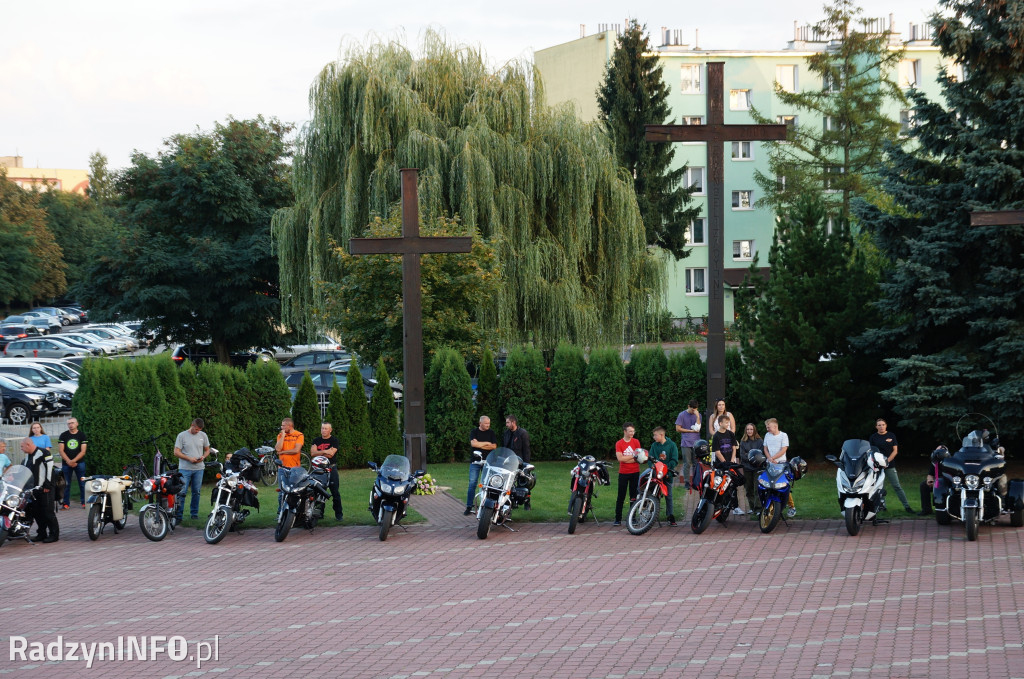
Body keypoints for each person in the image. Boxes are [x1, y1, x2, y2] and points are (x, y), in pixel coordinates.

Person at [869, 418, 914, 514]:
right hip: (877, 466)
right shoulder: (873, 437)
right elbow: (871, 452)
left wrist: (886, 462)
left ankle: (907, 506)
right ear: (876, 426)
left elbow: (895, 451)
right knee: (879, 487)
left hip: (889, 465)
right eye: (879, 425)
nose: (881, 426)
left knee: (897, 486)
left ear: (886, 425)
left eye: (883, 424)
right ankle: (881, 506)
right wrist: (878, 463)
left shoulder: (891, 435)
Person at [173, 418, 212, 525]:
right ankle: (178, 516)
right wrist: (189, 459)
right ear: (192, 425)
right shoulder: (182, 436)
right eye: (196, 429)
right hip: (185, 468)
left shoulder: (203, 436)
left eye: (199, 430)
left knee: (196, 492)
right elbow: (176, 452)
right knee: (182, 492)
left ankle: (194, 514)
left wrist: (203, 457)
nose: (197, 431)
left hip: (199, 468)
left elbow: (207, 449)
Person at [22, 437, 59, 543]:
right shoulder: (27, 457)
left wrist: (48, 486)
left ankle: (54, 535)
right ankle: (41, 533)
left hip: (45, 489)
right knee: (37, 512)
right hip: (33, 490)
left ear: (28, 444)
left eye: (22, 446)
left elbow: (50, 470)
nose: (21, 448)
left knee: (48, 512)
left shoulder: (44, 453)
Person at [711, 415, 745, 515]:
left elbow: (734, 448)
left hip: (730, 463)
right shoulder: (716, 436)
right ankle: (719, 506)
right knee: (721, 485)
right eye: (726, 423)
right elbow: (717, 452)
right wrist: (725, 463)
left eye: (728, 422)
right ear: (720, 424)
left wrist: (731, 460)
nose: (728, 424)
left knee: (733, 484)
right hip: (721, 465)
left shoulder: (730, 434)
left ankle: (735, 507)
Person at [310, 422, 343, 521]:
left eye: (326, 428)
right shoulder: (316, 440)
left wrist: (319, 453)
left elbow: (331, 455)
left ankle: (339, 514)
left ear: (330, 430)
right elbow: (312, 453)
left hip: (331, 468)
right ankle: (319, 513)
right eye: (322, 428)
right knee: (319, 491)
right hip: (318, 470)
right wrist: (326, 451)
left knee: (335, 492)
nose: (323, 430)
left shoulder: (334, 440)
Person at [764, 418, 796, 517]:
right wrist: (769, 458)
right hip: (770, 464)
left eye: (768, 427)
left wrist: (773, 458)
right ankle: (768, 504)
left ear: (775, 426)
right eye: (766, 427)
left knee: (783, 484)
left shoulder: (783, 435)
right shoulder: (767, 435)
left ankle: (791, 506)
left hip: (781, 464)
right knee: (768, 484)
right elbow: (765, 448)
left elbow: (784, 450)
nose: (767, 429)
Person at [613, 422, 643, 526]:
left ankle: (632, 517)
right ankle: (618, 518)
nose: (632, 433)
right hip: (623, 473)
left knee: (633, 496)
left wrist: (629, 458)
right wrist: (633, 456)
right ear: (625, 431)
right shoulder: (619, 443)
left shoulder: (636, 442)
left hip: (635, 472)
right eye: (630, 431)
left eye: (633, 431)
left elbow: (639, 458)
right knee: (621, 496)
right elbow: (620, 458)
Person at [648, 426, 680, 525]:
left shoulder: (672, 445)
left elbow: (674, 460)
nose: (654, 437)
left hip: (667, 474)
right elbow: (650, 459)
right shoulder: (654, 445)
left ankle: (670, 516)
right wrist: (654, 467)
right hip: (656, 474)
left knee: (668, 495)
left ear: (661, 435)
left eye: (655, 435)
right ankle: (651, 514)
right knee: (653, 494)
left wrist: (666, 468)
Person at [466, 415, 497, 515]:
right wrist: (487, 443)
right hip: (475, 462)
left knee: (486, 484)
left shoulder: (491, 433)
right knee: (472, 484)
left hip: (487, 462)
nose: (488, 425)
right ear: (480, 423)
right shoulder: (474, 432)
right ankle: (469, 506)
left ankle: (484, 505)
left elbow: (494, 446)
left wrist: (480, 444)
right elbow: (473, 445)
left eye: (489, 423)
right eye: (486, 424)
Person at [276, 417, 304, 513]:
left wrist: (283, 452)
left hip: (295, 468)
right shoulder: (280, 435)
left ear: (289, 425)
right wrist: (283, 436)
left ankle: (294, 512)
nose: (281, 427)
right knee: (282, 492)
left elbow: (296, 450)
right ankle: (280, 512)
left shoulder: (299, 435)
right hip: (282, 468)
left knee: (294, 491)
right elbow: (278, 449)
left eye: (283, 425)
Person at [58, 417, 88, 509]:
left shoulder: (82, 435)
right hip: (66, 464)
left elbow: (83, 451)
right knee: (66, 484)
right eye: (69, 423)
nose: (71, 425)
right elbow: (61, 450)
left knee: (82, 484)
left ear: (77, 423)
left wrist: (74, 461)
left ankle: (84, 502)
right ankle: (66, 503)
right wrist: (68, 461)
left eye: (72, 423)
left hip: (80, 463)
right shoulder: (63, 435)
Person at [674, 400, 701, 490]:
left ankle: (695, 482)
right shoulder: (682, 415)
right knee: (687, 463)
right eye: (692, 409)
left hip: (696, 443)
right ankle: (687, 482)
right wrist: (690, 431)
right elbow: (678, 429)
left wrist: (697, 416)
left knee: (696, 463)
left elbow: (698, 428)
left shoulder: (698, 415)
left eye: (695, 410)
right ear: (688, 406)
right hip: (685, 442)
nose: (693, 411)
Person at [739, 422, 764, 515]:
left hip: (757, 468)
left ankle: (758, 508)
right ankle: (752, 507)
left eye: (751, 429)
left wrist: (749, 455)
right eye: (748, 429)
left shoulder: (760, 441)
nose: (749, 431)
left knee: (757, 488)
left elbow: (760, 455)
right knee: (748, 488)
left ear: (754, 430)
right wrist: (752, 457)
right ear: (746, 431)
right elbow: (742, 455)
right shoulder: (743, 441)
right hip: (747, 468)